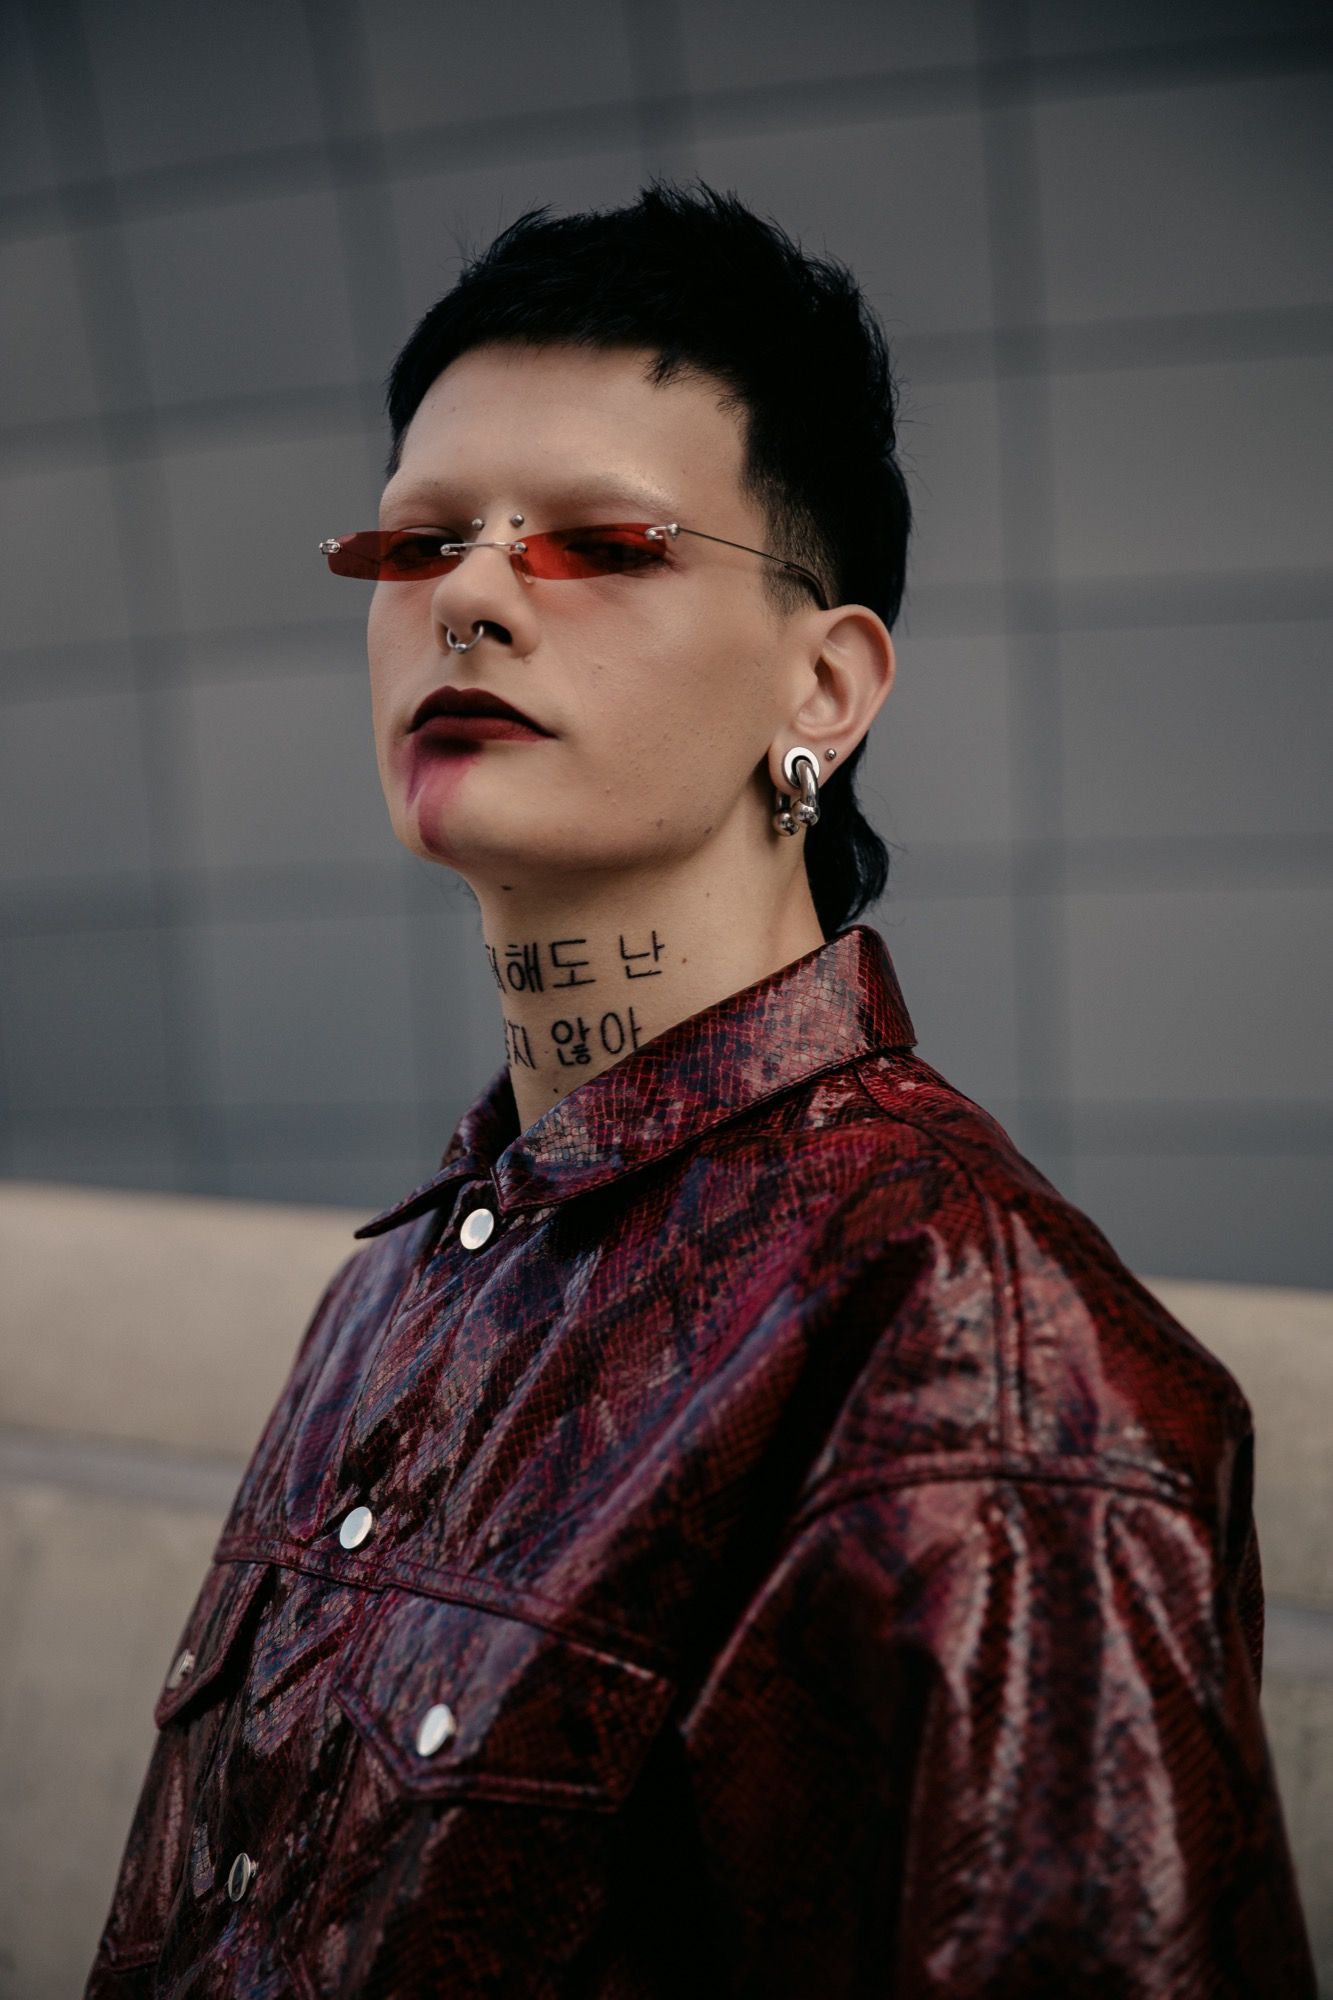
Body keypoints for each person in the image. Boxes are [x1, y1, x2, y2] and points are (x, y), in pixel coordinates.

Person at [87, 183, 1314, 1998]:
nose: (469, 597)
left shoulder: (973, 1352)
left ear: (823, 685)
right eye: (417, 543)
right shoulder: (401, 1280)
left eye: (600, 543)